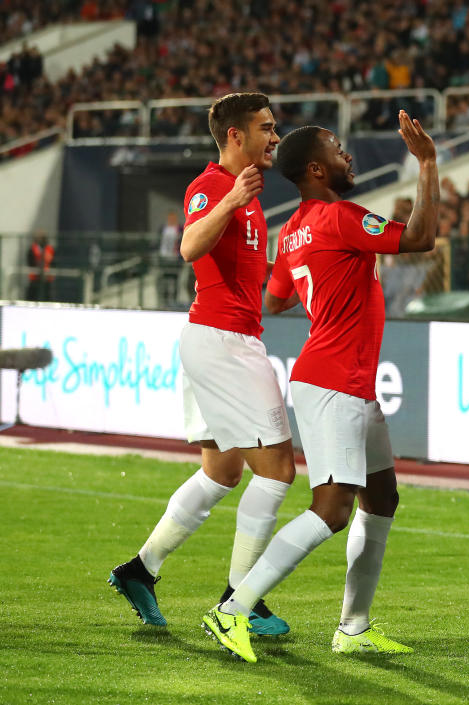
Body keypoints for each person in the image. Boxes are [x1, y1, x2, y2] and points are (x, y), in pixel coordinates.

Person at [200, 111, 438, 663]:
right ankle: (233, 609)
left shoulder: (294, 232)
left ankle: (353, 627)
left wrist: (327, 285)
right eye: (337, 148)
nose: (346, 154)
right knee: (331, 509)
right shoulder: (339, 216)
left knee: (381, 498)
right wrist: (425, 163)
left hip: (341, 379)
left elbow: (277, 297)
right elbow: (422, 236)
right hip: (335, 382)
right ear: (316, 168)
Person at [109, 93, 297, 638]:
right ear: (235, 136)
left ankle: (140, 570)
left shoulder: (250, 196)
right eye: (266, 127)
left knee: (223, 472)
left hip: (219, 338)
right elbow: (190, 245)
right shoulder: (213, 185)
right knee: (279, 469)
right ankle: (240, 602)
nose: (275, 137)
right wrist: (231, 199)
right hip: (224, 342)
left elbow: (246, 274)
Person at [25, 230, 54, 301]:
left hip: (47, 278)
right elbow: (30, 261)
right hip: (35, 277)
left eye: (42, 237)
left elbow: (53, 262)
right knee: (32, 296)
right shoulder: (32, 249)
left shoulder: (49, 249)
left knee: (47, 296)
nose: (40, 239)